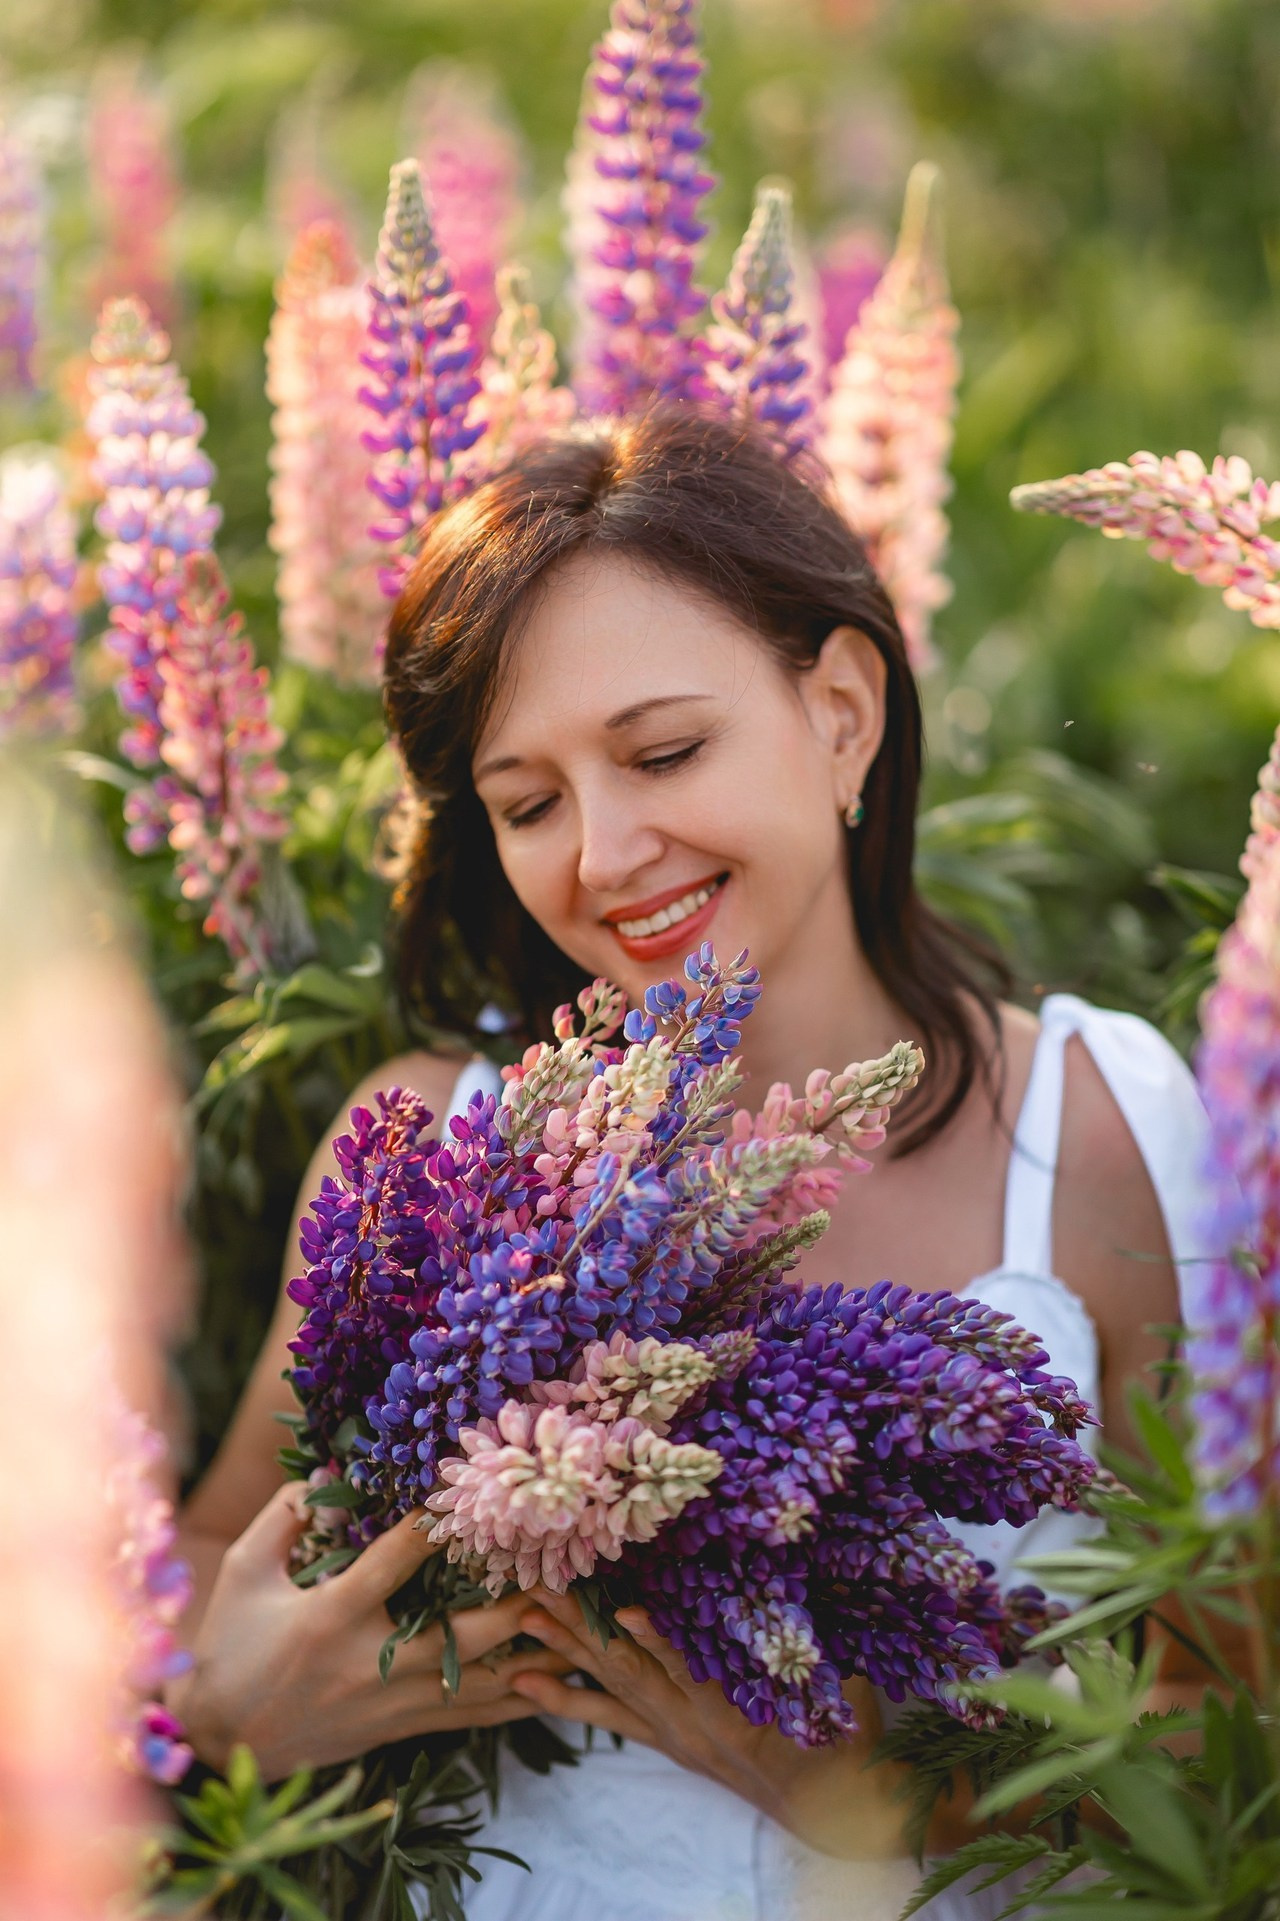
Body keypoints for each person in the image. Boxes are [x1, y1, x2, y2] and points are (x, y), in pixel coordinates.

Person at [174, 408, 1212, 1920]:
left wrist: (879, 1787)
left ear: (843, 713)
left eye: (665, 750)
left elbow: (1231, 1716)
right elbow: (216, 1549)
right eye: (527, 803)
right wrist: (236, 1706)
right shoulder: (440, 1145)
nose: (602, 852)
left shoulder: (1102, 1119)